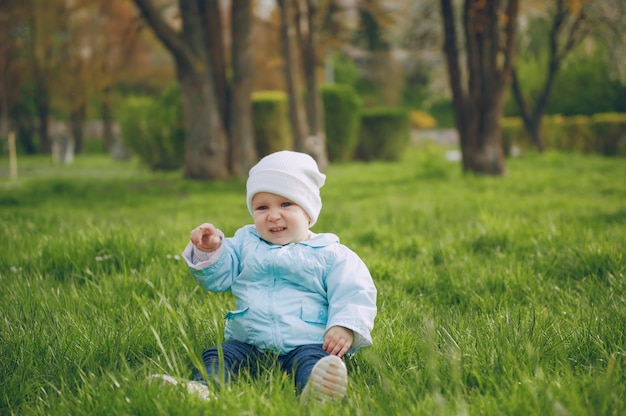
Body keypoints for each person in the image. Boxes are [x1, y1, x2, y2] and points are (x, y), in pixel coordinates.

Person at [171, 150, 377, 405]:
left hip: (307, 342)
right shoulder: (244, 244)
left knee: (314, 363)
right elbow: (216, 279)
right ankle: (203, 388)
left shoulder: (330, 254)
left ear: (309, 212)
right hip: (250, 341)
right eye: (262, 207)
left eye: (286, 204)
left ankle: (318, 391)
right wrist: (210, 250)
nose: (273, 215)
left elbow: (354, 291)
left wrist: (344, 325)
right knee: (219, 356)